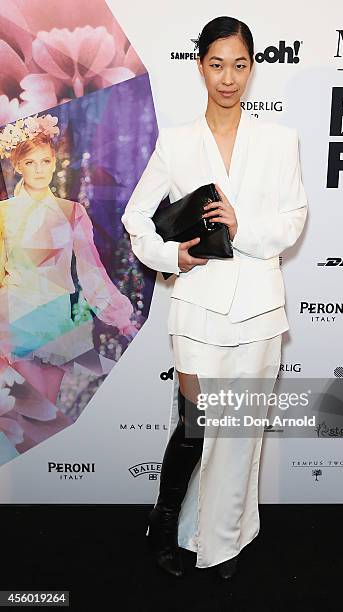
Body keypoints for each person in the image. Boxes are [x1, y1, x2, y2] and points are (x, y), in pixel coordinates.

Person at [121, 16, 308, 580]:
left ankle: (226, 540)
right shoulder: (177, 143)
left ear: (252, 69)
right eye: (217, 64)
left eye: (241, 65)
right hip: (198, 308)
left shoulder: (281, 141)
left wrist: (240, 224)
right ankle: (165, 524)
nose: (229, 78)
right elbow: (136, 217)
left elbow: (293, 219)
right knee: (196, 423)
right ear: (200, 65)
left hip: (258, 309)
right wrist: (171, 257)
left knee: (241, 430)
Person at [0, 114, 137, 451]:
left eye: (46, 160)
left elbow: (91, 272)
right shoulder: (4, 213)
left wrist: (119, 316)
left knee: (48, 410)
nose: (39, 168)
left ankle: (39, 492)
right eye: (30, 162)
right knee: (28, 415)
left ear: (54, 161)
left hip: (59, 323)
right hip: (16, 319)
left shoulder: (72, 211)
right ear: (17, 165)